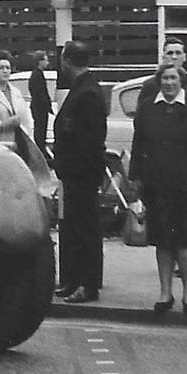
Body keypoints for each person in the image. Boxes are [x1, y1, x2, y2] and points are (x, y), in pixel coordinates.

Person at [130, 62, 187, 315]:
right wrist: (136, 177)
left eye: (173, 78)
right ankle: (165, 292)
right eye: (164, 78)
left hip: (186, 184)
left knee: (185, 240)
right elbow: (138, 144)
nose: (168, 83)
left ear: (181, 81)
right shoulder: (147, 107)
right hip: (156, 184)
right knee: (163, 241)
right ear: (159, 81)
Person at [52, 40, 108, 303]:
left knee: (85, 229)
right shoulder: (82, 88)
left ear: (67, 61)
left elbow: (90, 140)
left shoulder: (88, 93)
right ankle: (73, 279)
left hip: (82, 173)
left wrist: (73, 166)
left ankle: (88, 284)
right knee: (73, 228)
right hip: (74, 173)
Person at [139, 37, 187, 103]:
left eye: (178, 53)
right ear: (163, 57)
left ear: (184, 57)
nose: (174, 57)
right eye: (170, 53)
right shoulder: (150, 85)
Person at [30, 50, 53, 153]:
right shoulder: (36, 75)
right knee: (40, 130)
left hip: (39, 107)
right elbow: (39, 92)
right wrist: (46, 105)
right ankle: (40, 151)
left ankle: (41, 150)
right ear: (40, 61)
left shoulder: (38, 74)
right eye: (46, 60)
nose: (47, 62)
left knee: (41, 130)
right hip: (39, 108)